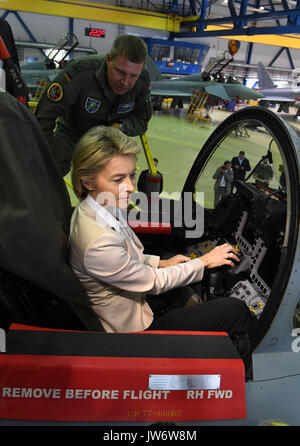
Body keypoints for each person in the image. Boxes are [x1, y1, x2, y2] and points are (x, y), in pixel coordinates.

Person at [68, 125, 255, 335]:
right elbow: (154, 282)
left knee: (171, 258)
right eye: (118, 179)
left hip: (133, 300)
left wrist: (162, 262)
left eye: (131, 175)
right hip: (132, 330)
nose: (130, 186)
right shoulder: (98, 242)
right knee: (234, 310)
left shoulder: (99, 205)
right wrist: (204, 261)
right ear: (87, 181)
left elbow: (126, 257)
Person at [35, 34, 152, 177]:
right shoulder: (80, 72)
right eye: (120, 72)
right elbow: (45, 114)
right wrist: (43, 154)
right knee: (46, 175)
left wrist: (121, 127)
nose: (125, 82)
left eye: (133, 75)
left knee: (113, 183)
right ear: (109, 60)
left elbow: (141, 120)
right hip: (72, 135)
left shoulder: (143, 82)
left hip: (109, 142)